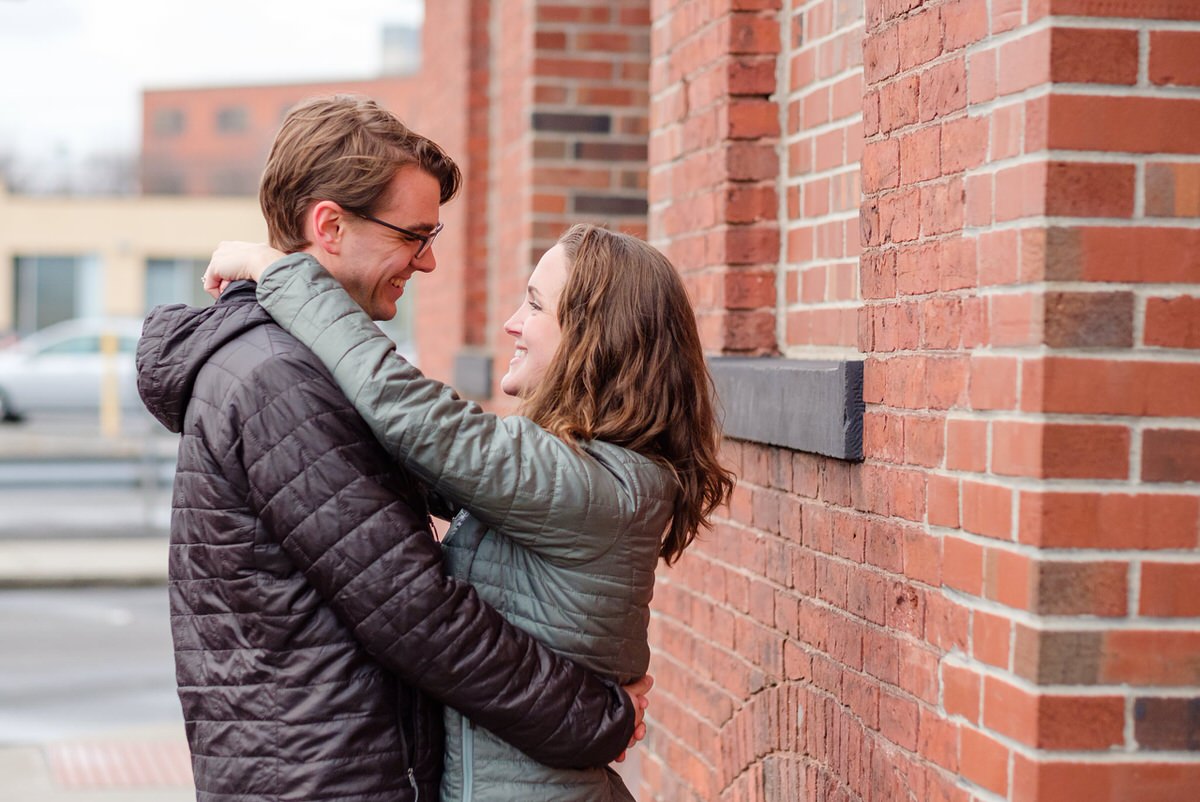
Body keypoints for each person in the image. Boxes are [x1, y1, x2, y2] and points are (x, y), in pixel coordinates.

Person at [135, 95, 649, 802]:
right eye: (413, 234)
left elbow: (445, 468)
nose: (430, 261)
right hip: (330, 781)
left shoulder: (291, 364)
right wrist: (597, 718)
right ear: (330, 226)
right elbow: (416, 614)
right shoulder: (280, 379)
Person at [202, 222, 736, 801]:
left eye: (534, 305)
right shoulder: (581, 474)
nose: (512, 322)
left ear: (595, 338)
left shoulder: (593, 485)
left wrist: (279, 272)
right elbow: (411, 456)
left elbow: (410, 414)